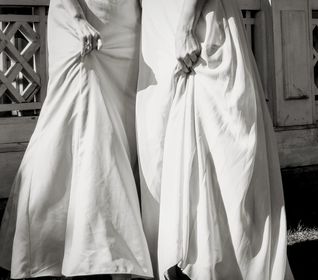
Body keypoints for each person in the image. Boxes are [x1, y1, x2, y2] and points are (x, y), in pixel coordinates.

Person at [137, 0, 294, 279]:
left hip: (196, 20)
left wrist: (186, 25)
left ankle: (220, 265)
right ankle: (179, 259)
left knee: (218, 141)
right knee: (161, 142)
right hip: (158, 24)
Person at [0, 0, 152, 279]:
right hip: (82, 23)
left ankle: (100, 245)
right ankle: (63, 250)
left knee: (120, 130)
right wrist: (77, 18)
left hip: (126, 26)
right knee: (81, 122)